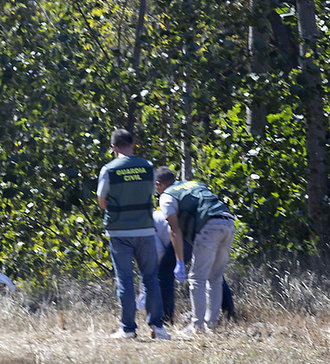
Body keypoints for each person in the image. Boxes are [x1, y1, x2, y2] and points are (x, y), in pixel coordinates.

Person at [97, 129, 170, 340]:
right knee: (150, 279)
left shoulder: (109, 169)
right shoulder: (147, 167)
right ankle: (158, 327)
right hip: (145, 231)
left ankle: (128, 329)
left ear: (114, 148)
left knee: (125, 280)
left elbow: (102, 202)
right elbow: (150, 192)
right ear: (133, 144)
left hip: (119, 231)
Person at [155, 166, 236, 334]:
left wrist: (179, 261)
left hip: (209, 227)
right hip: (228, 222)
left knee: (197, 278)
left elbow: (175, 230)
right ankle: (211, 324)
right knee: (215, 278)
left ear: (159, 184)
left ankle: (197, 325)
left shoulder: (166, 197)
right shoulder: (193, 184)